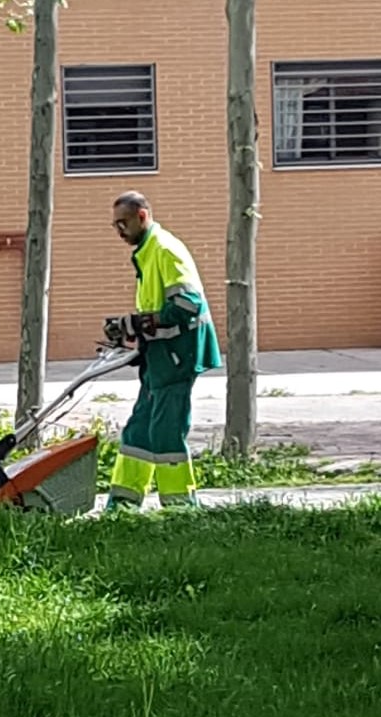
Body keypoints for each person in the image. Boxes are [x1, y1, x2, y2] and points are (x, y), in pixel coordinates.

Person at [105, 191, 222, 511]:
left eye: (123, 223)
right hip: (160, 357)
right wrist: (134, 326)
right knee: (140, 427)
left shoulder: (165, 249)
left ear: (142, 216)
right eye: (114, 225)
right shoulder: (147, 251)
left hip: (179, 355)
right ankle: (123, 504)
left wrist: (141, 322)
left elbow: (188, 305)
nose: (119, 231)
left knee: (165, 430)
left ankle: (182, 507)